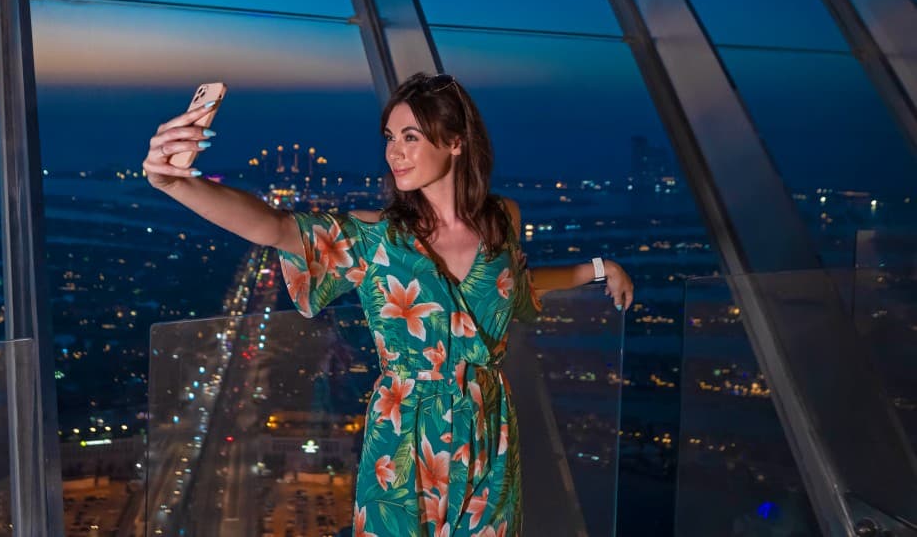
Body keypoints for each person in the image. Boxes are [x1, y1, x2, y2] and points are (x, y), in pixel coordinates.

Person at [143, 72, 635, 537]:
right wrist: (176, 183)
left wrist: (597, 269)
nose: (393, 152)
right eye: (389, 137)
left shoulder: (502, 218)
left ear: (456, 141)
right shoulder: (377, 238)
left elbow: (515, 288)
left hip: (489, 430)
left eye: (410, 137)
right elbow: (274, 227)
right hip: (404, 437)